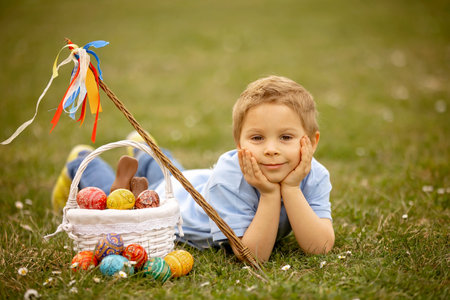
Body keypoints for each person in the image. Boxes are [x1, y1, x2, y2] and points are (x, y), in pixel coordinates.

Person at [52, 75, 334, 262]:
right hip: (181, 203)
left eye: (285, 137)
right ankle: (81, 163)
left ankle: (148, 152)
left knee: (177, 172)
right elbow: (252, 255)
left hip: (198, 181)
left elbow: (319, 247)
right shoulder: (231, 174)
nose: (271, 149)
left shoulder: (315, 174)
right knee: (124, 200)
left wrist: (292, 187)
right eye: (257, 138)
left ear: (311, 142)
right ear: (238, 143)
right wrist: (270, 194)